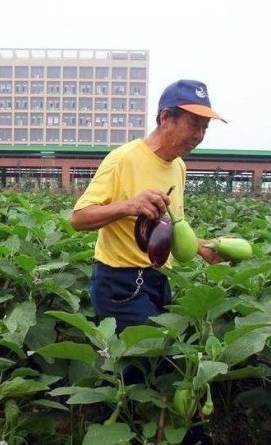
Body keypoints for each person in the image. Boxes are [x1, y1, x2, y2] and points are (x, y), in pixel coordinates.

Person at [69, 79, 226, 444]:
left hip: (156, 280)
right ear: (166, 118)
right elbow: (79, 218)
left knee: (137, 368)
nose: (200, 134)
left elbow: (170, 229)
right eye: (194, 123)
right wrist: (128, 205)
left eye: (205, 126)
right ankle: (188, 438)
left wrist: (201, 248)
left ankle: (122, 428)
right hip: (118, 282)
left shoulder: (179, 168)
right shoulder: (124, 159)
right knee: (164, 364)